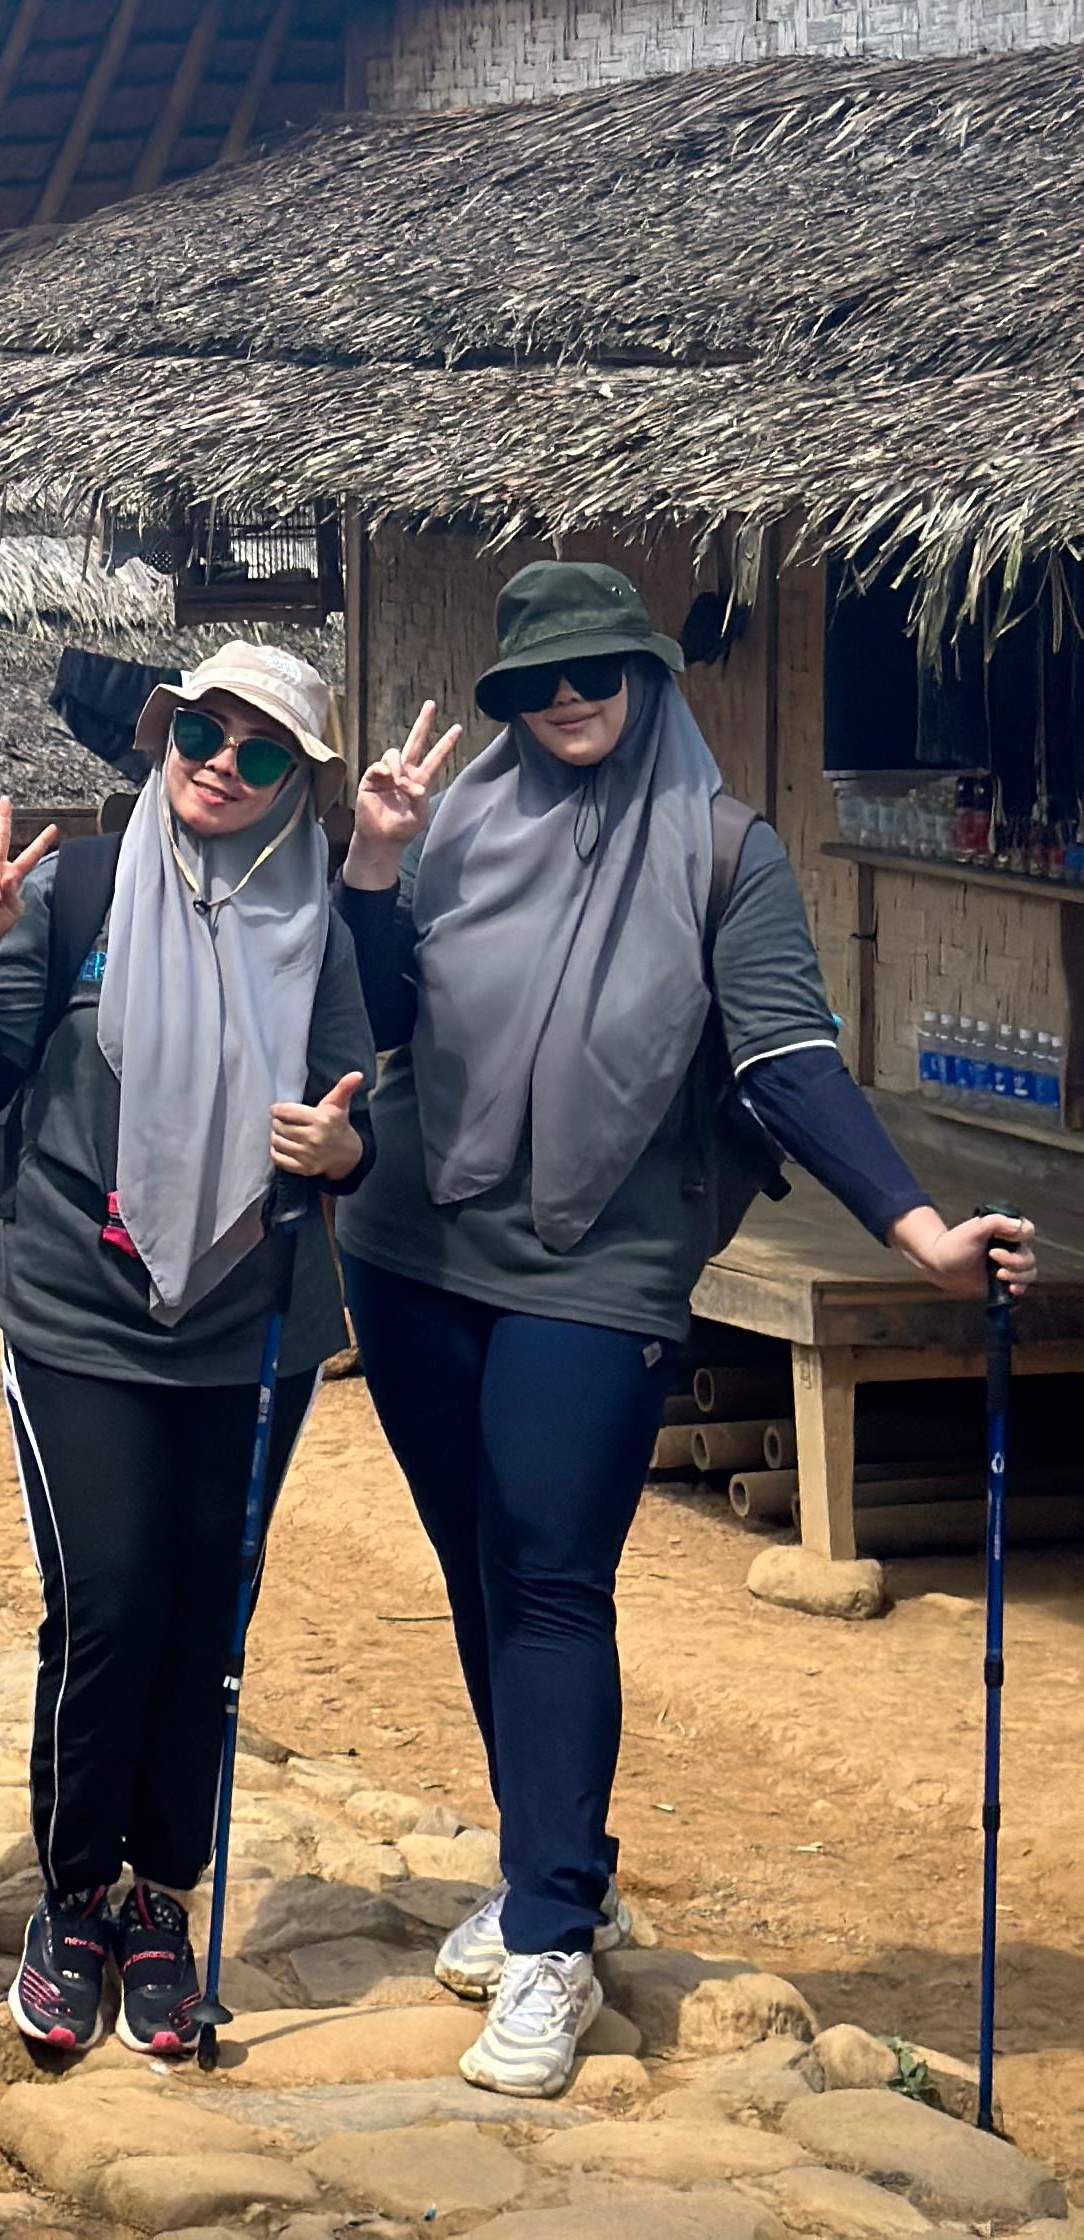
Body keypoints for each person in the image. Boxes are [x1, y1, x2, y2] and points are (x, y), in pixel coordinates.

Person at [338, 559, 1038, 2102]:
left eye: (596, 672)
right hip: (406, 1245)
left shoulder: (726, 851)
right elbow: (373, 1017)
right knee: (475, 1558)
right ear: (507, 699)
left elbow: (787, 1053)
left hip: (599, 1259)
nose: (566, 699)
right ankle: (554, 1867)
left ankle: (550, 1943)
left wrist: (916, 1228)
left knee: (550, 1573)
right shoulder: (453, 824)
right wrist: (377, 869)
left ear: (650, 679)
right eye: (534, 681)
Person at [0, 644, 374, 2063]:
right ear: (162, 731)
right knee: (108, 1602)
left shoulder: (325, 926)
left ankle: (160, 1900)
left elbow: (373, 1112)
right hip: (79, 1309)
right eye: (200, 731)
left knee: (207, 1621)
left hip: (251, 1325)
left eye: (260, 753)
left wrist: (344, 1146)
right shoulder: (72, 890)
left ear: (298, 784)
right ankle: (69, 1900)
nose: (219, 764)